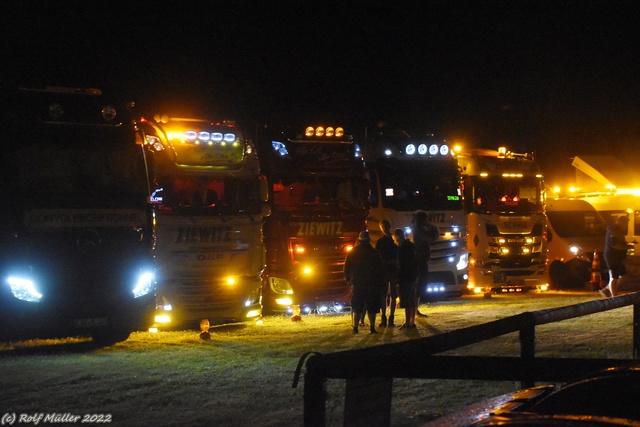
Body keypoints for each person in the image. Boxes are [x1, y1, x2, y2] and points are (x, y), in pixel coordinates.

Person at [344, 231, 386, 334]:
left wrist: (348, 279)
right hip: (372, 283)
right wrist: (380, 282)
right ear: (369, 239)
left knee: (357, 306)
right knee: (372, 306)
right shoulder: (375, 252)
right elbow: (380, 268)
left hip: (358, 283)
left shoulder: (353, 252)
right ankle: (372, 327)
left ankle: (355, 327)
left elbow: (347, 267)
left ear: (359, 239)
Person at [412, 211, 439, 316]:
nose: (427, 221)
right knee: (419, 285)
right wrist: (432, 227)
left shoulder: (418, 229)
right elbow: (432, 238)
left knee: (420, 285)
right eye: (425, 219)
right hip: (419, 261)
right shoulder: (418, 230)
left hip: (420, 260)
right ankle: (414, 309)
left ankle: (415, 309)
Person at [393, 228, 419, 330]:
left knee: (407, 301)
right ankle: (411, 322)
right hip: (413, 275)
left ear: (397, 237)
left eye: (394, 238)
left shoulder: (401, 248)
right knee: (412, 300)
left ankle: (408, 323)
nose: (394, 240)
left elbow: (400, 264)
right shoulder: (412, 245)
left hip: (405, 277)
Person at [375, 219, 398, 327]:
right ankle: (386, 317)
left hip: (388, 270)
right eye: (383, 228)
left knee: (390, 295)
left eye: (386, 227)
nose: (385, 229)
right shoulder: (392, 241)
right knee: (384, 295)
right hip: (387, 270)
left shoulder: (382, 242)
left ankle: (389, 317)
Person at [601, 215, 630, 298]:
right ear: (620, 222)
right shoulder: (614, 230)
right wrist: (627, 246)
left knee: (623, 276)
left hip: (618, 256)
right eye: (625, 222)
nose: (626, 225)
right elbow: (615, 244)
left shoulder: (618, 230)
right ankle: (614, 296)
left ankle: (607, 289)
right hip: (613, 256)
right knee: (614, 276)